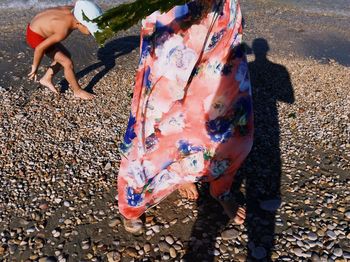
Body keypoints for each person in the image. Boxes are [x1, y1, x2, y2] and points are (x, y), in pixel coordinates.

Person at [117, 0, 253, 233]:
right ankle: (141, 195)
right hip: (171, 11)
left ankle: (220, 185)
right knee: (159, 109)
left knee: (225, 107)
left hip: (217, 12)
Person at [26, 0, 103, 100]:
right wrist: (35, 67)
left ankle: (46, 78)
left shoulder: (74, 10)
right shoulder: (63, 30)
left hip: (38, 26)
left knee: (65, 55)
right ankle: (77, 91)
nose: (91, 33)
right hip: (36, 36)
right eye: (90, 29)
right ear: (79, 23)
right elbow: (39, 48)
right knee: (67, 62)